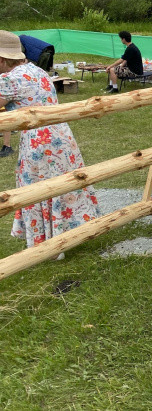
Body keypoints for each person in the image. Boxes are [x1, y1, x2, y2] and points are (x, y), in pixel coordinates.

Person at [0, 31, 99, 250]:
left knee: (39, 189)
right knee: (64, 185)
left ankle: (49, 246)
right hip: (61, 134)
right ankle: (72, 235)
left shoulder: (8, 79)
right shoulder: (38, 71)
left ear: (2, 59)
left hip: (38, 142)